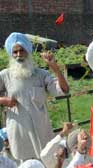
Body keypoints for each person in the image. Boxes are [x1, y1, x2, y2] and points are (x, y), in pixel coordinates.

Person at [0, 32, 69, 161]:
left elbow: (63, 90)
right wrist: (3, 100)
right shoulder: (5, 75)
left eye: (22, 50)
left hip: (41, 130)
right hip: (19, 131)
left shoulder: (41, 74)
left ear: (28, 51)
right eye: (15, 52)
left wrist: (55, 68)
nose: (19, 55)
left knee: (46, 163)